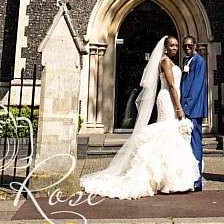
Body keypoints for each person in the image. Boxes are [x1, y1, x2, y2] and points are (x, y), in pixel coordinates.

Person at [80, 35, 199, 199]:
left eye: (176, 46)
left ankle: (170, 180)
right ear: (165, 47)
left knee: (169, 135)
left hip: (172, 97)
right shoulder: (165, 61)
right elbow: (171, 85)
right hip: (168, 99)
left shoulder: (170, 61)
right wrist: (178, 107)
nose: (175, 48)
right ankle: (162, 179)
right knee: (167, 133)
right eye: (172, 45)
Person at [179, 35, 208, 190]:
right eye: (185, 46)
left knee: (196, 144)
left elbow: (197, 87)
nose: (187, 48)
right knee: (187, 145)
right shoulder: (186, 61)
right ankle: (189, 177)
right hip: (186, 108)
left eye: (190, 46)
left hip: (193, 110)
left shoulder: (199, 61)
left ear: (195, 46)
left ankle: (197, 181)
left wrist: (187, 108)